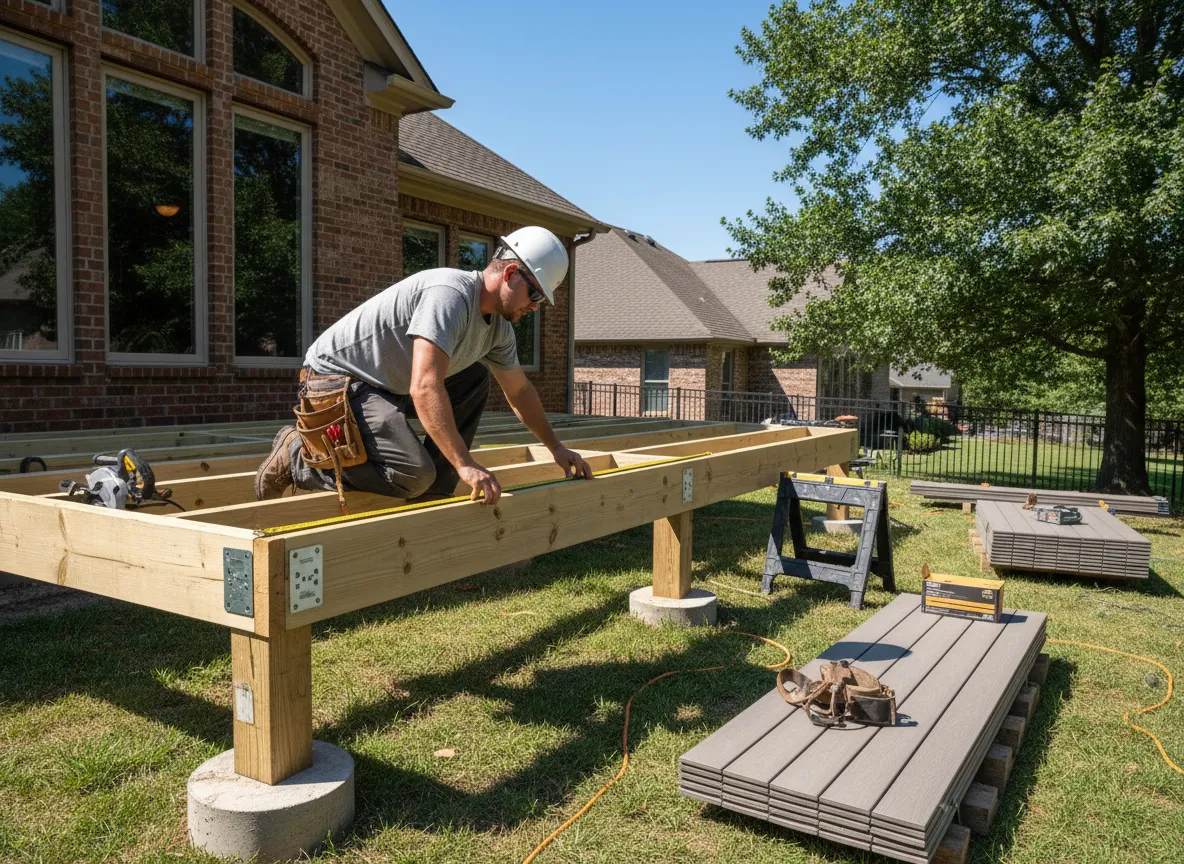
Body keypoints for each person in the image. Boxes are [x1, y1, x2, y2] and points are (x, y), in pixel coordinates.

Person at [254, 226, 593, 505]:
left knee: (475, 376)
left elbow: (519, 391)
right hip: (335, 380)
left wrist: (556, 447)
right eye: (535, 296)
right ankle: (296, 456)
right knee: (412, 474)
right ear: (510, 274)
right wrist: (465, 463)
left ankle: (432, 496)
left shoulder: (499, 331)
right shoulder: (449, 295)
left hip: (384, 385)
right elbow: (425, 387)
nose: (535, 308)